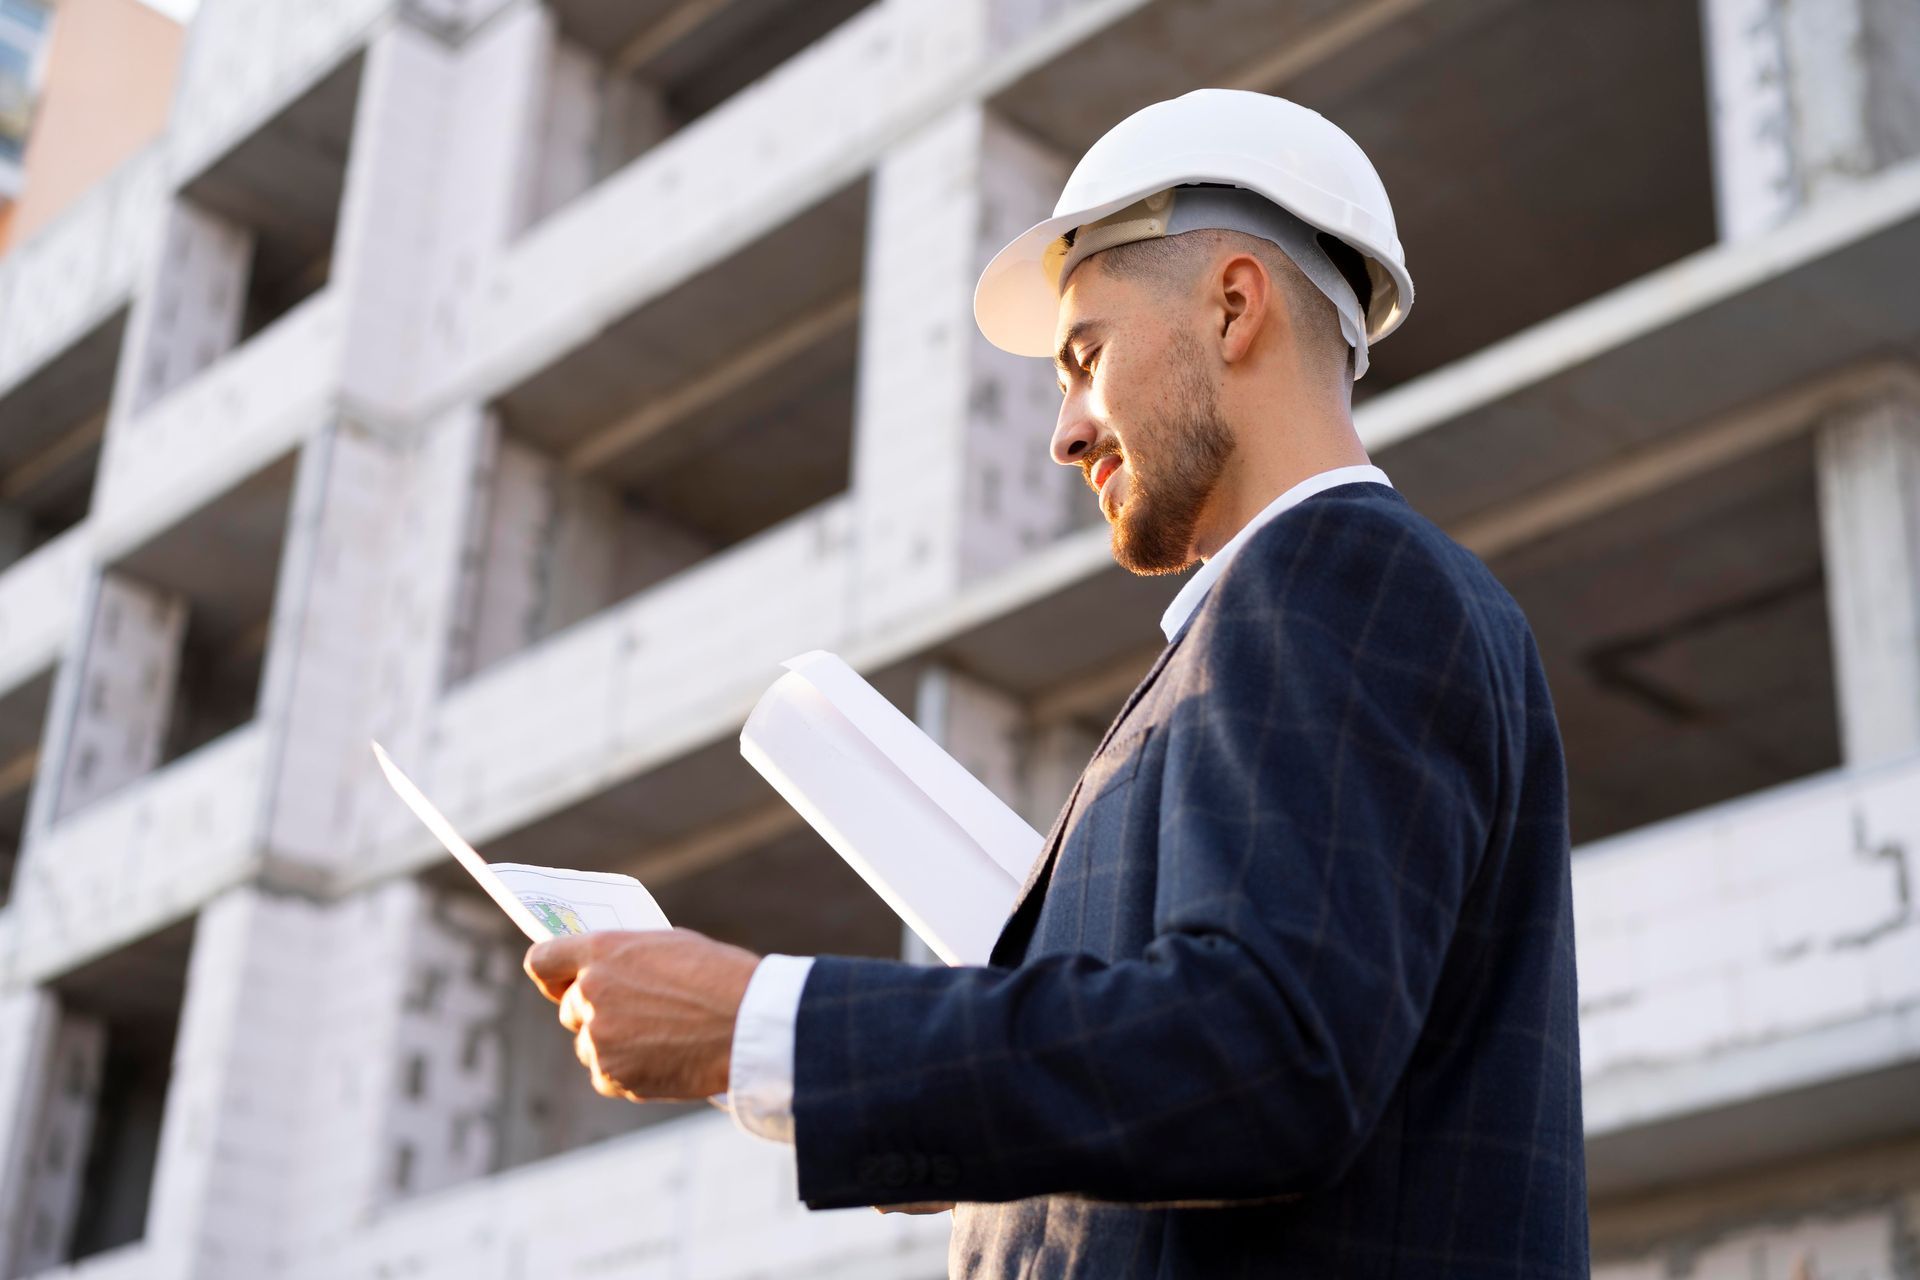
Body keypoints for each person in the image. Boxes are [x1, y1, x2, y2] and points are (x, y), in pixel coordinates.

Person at [524, 89, 1588, 1279]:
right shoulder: (1283, 612)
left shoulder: (1337, 573)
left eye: (1085, 358)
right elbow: (1228, 1082)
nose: (1065, 433)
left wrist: (760, 1021)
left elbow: (1266, 1057)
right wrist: (977, 1139)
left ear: (1234, 306)